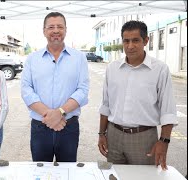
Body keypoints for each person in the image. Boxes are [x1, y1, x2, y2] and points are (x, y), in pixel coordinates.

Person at [98, 20, 178, 170]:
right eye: (126, 41)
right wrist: (102, 134)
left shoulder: (160, 70)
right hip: (113, 135)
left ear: (146, 40)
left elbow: (168, 110)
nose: (130, 46)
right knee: (114, 175)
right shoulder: (112, 68)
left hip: (144, 138)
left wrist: (164, 141)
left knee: (144, 177)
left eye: (135, 40)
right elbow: (106, 105)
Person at [21, 12, 89, 162]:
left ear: (66, 30)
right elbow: (26, 90)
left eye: (60, 26)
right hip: (40, 127)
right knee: (40, 171)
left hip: (68, 127)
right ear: (44, 31)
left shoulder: (79, 58)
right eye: (51, 27)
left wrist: (60, 112)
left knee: (67, 172)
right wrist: (50, 116)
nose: (56, 30)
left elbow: (83, 90)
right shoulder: (33, 59)